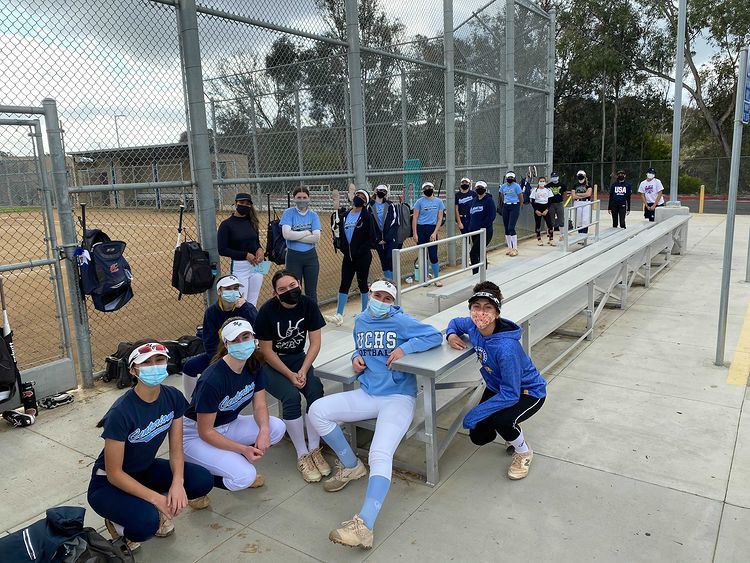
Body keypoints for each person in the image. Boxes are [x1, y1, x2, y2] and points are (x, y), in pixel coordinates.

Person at [309, 279, 443, 549]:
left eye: (387, 298)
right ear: (369, 294)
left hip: (398, 398)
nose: (381, 301)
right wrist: (355, 357)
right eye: (377, 295)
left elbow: (433, 336)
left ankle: (364, 526)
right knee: (317, 410)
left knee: (380, 454)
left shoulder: (400, 321)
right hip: (369, 394)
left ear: (393, 302)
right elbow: (361, 346)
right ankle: (350, 465)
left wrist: (406, 348)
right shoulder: (360, 321)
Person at [88, 343, 214, 552]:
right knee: (146, 524)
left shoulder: (172, 396)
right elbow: (114, 474)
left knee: (202, 480)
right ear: (133, 370)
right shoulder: (121, 412)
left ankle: (142, 503)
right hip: (107, 484)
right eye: (145, 362)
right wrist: (158, 500)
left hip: (144, 470)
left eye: (159, 360)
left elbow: (176, 449)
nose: (154, 366)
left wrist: (177, 483)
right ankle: (117, 522)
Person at [446, 282, 546, 480]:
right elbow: (456, 323)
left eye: (488, 308)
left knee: (502, 421)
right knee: (480, 436)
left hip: (527, 391)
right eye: (476, 307)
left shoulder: (506, 349)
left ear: (497, 313)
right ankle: (512, 430)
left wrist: (475, 413)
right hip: (498, 387)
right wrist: (450, 335)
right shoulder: (472, 327)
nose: (481, 313)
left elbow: (510, 393)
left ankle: (523, 452)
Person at [182, 318, 286, 492]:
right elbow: (205, 431)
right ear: (226, 344)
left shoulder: (254, 363)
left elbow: (260, 405)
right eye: (235, 340)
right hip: (196, 435)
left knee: (276, 427)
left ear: (254, 337)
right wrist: (243, 449)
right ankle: (194, 479)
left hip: (229, 424)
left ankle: (232, 461)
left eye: (245, 337)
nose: (241, 343)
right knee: (244, 477)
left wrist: (264, 431)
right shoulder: (212, 379)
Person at [255, 270, 330, 483]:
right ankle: (302, 453)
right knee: (291, 396)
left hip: (299, 359)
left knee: (315, 389)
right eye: (282, 289)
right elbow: (266, 351)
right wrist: (289, 375)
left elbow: (315, 343)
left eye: (292, 286)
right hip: (273, 363)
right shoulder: (267, 311)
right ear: (275, 293)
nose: (289, 291)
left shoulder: (308, 304)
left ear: (299, 284)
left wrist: (304, 370)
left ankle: (315, 448)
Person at [182, 275, 258, 401]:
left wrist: (246, 308)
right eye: (228, 288)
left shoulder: (246, 308)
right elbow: (209, 341)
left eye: (236, 288)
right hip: (221, 354)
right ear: (219, 291)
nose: (233, 291)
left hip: (246, 353)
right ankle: (190, 404)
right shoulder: (212, 312)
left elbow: (258, 330)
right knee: (190, 366)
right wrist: (219, 361)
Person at [327, 188, 376, 327]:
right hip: (348, 257)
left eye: (362, 197)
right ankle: (339, 314)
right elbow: (340, 234)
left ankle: (364, 312)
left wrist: (360, 250)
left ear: (366, 202)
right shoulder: (345, 215)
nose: (359, 198)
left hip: (362, 257)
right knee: (344, 283)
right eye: (357, 195)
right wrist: (343, 247)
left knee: (362, 283)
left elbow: (372, 239)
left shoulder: (366, 216)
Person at [217, 193, 265, 306]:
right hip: (240, 265)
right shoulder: (226, 224)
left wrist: (260, 250)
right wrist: (245, 255)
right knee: (241, 301)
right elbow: (222, 249)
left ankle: (251, 322)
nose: (245, 205)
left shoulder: (252, 222)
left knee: (253, 300)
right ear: (235, 203)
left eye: (248, 204)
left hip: (257, 265)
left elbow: (256, 243)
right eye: (242, 203)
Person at [280, 186, 322, 302]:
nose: (302, 199)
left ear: (309, 198)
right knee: (294, 290)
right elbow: (286, 235)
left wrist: (295, 236)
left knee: (311, 291)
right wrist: (306, 232)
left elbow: (316, 238)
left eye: (304, 197)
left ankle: (313, 316)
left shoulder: (313, 215)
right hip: (294, 256)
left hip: (310, 257)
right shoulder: (289, 213)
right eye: (299, 197)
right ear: (294, 199)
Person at [411, 181, 446, 285]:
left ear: (433, 189)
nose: (427, 190)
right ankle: (425, 278)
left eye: (429, 188)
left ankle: (436, 278)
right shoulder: (419, 202)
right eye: (425, 188)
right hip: (421, 229)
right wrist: (415, 233)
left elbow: (440, 218)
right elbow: (415, 218)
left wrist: (435, 232)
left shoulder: (439, 202)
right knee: (423, 255)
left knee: (433, 255)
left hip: (432, 229)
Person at [369, 184, 399, 280]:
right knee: (383, 261)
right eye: (380, 190)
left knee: (390, 259)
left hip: (389, 239)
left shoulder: (390, 205)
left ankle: (394, 282)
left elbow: (395, 222)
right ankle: (388, 282)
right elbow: (369, 225)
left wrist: (386, 238)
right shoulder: (370, 206)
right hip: (378, 240)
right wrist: (377, 239)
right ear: (376, 191)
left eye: (384, 191)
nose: (382, 192)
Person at [468, 180, 496, 274]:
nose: (479, 189)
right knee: (481, 252)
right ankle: (484, 273)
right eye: (478, 188)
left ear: (485, 189)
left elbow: (491, 216)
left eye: (481, 188)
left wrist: (482, 227)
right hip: (474, 232)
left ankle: (475, 273)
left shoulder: (489, 200)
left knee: (473, 252)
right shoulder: (474, 200)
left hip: (484, 231)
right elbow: (471, 215)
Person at [498, 171, 523, 256]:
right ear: (506, 178)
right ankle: (509, 248)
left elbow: (520, 197)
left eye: (512, 177)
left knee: (511, 227)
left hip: (514, 206)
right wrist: (504, 203)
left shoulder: (516, 186)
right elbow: (501, 195)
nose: (510, 179)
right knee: (506, 228)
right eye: (509, 177)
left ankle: (515, 248)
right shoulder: (503, 186)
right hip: (506, 206)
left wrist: (520, 205)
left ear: (514, 178)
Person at [530, 176, 555, 246]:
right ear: (538, 182)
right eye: (540, 181)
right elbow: (532, 201)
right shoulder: (535, 190)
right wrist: (536, 210)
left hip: (545, 207)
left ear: (545, 182)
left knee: (549, 224)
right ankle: (539, 239)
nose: (542, 182)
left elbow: (550, 201)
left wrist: (546, 210)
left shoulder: (548, 190)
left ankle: (551, 239)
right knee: (538, 224)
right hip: (537, 207)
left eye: (543, 181)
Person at [546, 171, 567, 240]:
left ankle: (562, 235)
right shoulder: (548, 186)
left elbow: (564, 193)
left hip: (559, 203)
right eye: (553, 177)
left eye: (555, 176)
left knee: (561, 219)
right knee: (551, 220)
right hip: (551, 204)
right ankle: (550, 234)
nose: (554, 178)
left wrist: (562, 200)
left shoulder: (562, 185)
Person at [572, 170, 593, 235]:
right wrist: (583, 194)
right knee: (578, 220)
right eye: (579, 175)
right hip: (577, 202)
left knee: (585, 220)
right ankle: (580, 235)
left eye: (581, 175)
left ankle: (584, 235)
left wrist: (578, 194)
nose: (580, 176)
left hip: (586, 202)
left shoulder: (588, 184)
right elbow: (573, 196)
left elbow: (588, 194)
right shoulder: (575, 185)